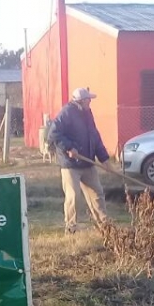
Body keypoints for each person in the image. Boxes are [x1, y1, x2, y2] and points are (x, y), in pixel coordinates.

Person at [48, 87, 112, 234]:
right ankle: (71, 228)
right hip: (70, 164)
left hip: (87, 162)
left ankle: (105, 226)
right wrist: (69, 147)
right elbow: (53, 134)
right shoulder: (67, 113)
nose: (90, 102)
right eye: (89, 99)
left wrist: (104, 159)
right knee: (74, 197)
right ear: (82, 101)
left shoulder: (88, 113)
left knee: (97, 194)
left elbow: (94, 136)